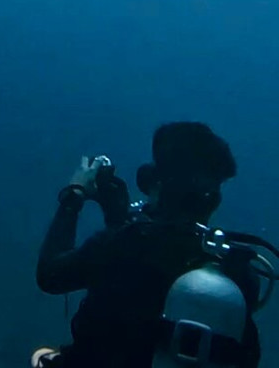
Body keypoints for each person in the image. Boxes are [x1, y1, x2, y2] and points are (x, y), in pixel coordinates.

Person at [33, 121, 262, 368]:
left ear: (159, 183)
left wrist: (74, 195)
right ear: (214, 200)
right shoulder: (233, 269)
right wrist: (117, 217)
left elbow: (50, 275)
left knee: (41, 356)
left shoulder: (124, 245)